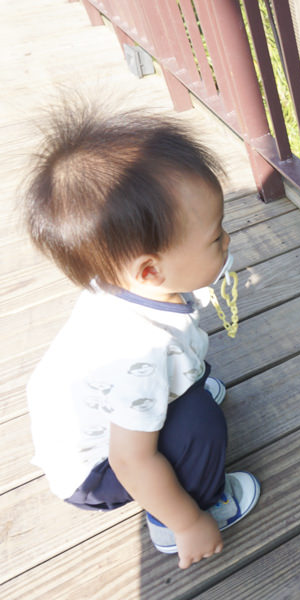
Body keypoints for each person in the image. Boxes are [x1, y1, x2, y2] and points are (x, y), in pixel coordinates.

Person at [23, 104, 260, 569]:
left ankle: (174, 415)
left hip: (99, 415)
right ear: (150, 270)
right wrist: (188, 522)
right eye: (216, 238)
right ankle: (176, 517)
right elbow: (132, 461)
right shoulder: (140, 352)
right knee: (200, 423)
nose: (228, 240)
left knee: (186, 384)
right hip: (101, 468)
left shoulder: (120, 285)